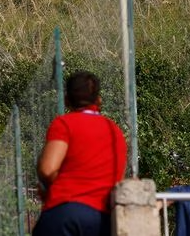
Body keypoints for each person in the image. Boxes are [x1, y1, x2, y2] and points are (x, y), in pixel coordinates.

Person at [32, 71, 127, 236]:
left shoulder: (64, 124)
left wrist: (63, 183)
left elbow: (47, 169)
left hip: (64, 212)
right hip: (101, 220)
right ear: (98, 100)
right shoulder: (115, 132)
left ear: (67, 100)